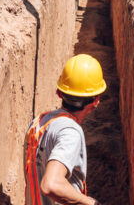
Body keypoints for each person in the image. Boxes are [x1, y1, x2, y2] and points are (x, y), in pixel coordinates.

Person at [24, 54, 106, 205]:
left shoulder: (38, 123)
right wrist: (91, 203)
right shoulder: (70, 133)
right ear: (96, 100)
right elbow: (50, 185)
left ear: (59, 93)